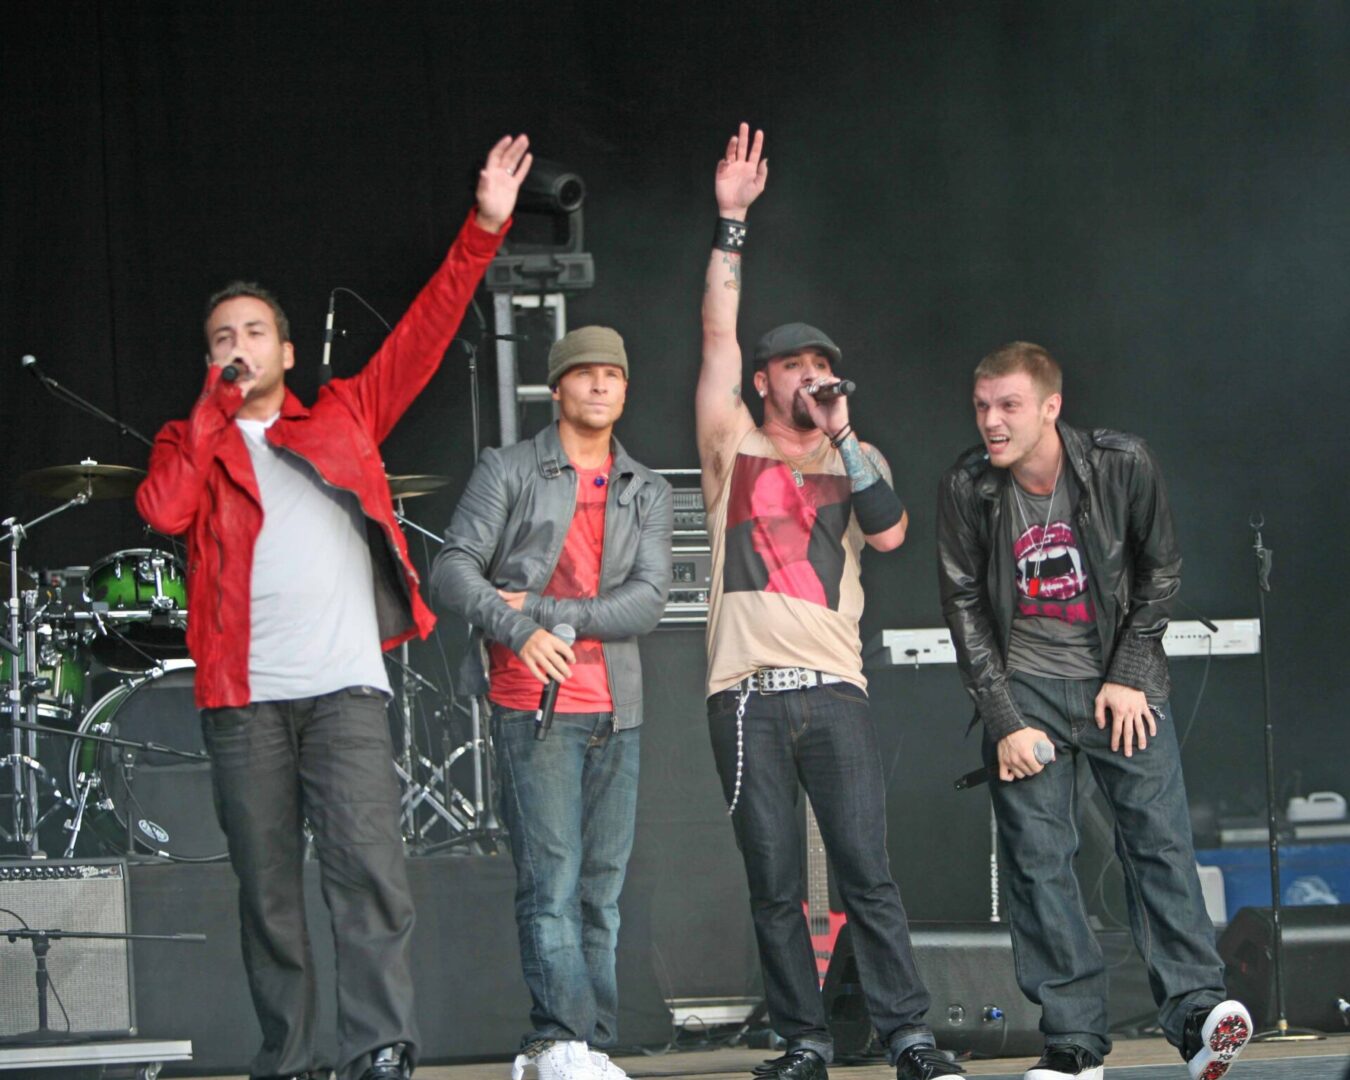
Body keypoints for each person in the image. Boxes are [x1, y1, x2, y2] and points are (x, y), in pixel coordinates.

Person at [135, 134, 532, 1080]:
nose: (238, 349)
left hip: (346, 691)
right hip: (243, 703)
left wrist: (484, 228)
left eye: (252, 335)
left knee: (368, 875)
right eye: (221, 340)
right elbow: (163, 509)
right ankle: (294, 1058)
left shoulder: (345, 414)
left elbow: (427, 332)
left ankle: (380, 1048)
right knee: (267, 895)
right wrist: (206, 409)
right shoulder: (191, 441)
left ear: (286, 348)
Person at [695, 123, 963, 1080]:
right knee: (773, 885)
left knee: (867, 873)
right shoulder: (730, 440)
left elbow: (890, 535)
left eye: (823, 364)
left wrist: (843, 433)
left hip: (833, 688)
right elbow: (718, 334)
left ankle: (909, 1037)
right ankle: (802, 1040)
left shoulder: (860, 457)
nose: (811, 374)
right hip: (746, 695)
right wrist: (731, 222)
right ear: (766, 379)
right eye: (795, 365)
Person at [936, 341, 1252, 1080]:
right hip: (1028, 692)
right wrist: (1005, 718)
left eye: (1008, 405)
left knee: (1159, 846)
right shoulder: (969, 484)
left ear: (1051, 406)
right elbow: (962, 605)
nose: (991, 421)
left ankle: (1202, 1015)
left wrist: (1132, 670)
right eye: (982, 406)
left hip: (1119, 686)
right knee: (1041, 867)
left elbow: (1160, 567)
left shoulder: (1121, 463)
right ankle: (1074, 1045)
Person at [431, 326, 672, 1080]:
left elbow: (649, 603)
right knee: (554, 882)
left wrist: (539, 610)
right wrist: (512, 627)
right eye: (585, 374)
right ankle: (557, 1038)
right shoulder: (508, 469)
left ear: (626, 390)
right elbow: (450, 569)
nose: (601, 386)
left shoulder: (648, 488)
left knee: (602, 889)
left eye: (613, 375)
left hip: (616, 710)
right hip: (531, 705)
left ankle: (588, 1047)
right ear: (556, 387)